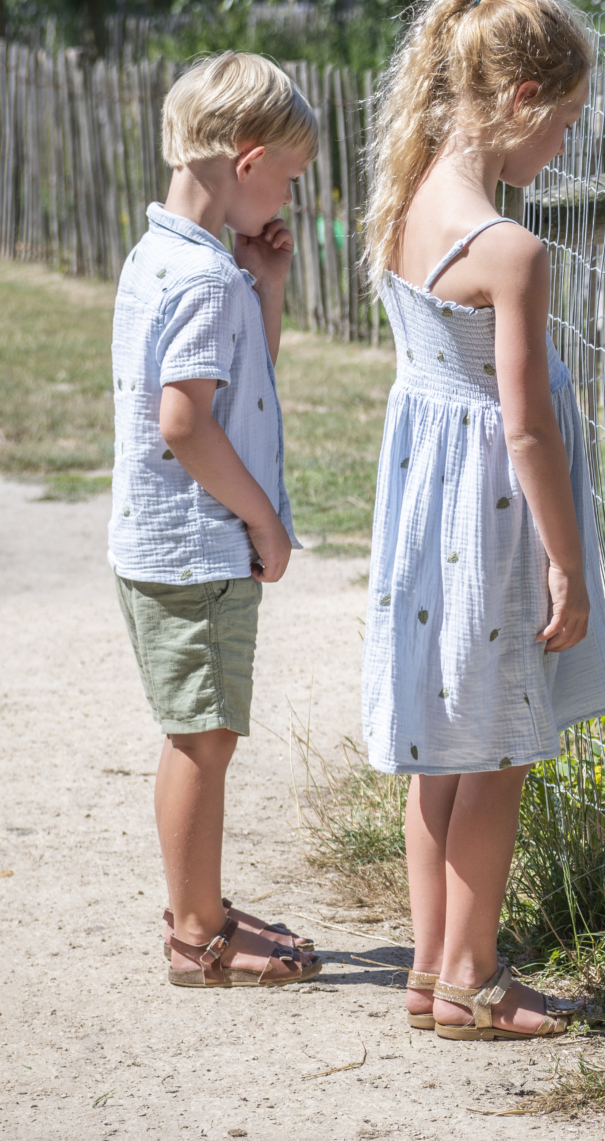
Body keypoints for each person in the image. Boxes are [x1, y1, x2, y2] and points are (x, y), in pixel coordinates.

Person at [360, 0, 605, 1041]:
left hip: (424, 505)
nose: (560, 146)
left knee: (443, 744)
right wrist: (566, 561)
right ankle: (473, 975)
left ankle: (429, 970)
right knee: (502, 743)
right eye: (560, 123)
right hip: (494, 518)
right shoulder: (509, 251)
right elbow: (526, 432)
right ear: (516, 96)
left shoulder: (406, 198)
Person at [111, 52, 324, 988]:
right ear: (246, 163)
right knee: (202, 735)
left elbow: (236, 383)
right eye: (285, 176)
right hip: (199, 544)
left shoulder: (172, 257)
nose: (287, 196)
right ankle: (199, 935)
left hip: (166, 542)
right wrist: (265, 523)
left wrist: (267, 285)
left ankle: (200, 908)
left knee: (198, 726)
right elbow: (187, 421)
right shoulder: (201, 280)